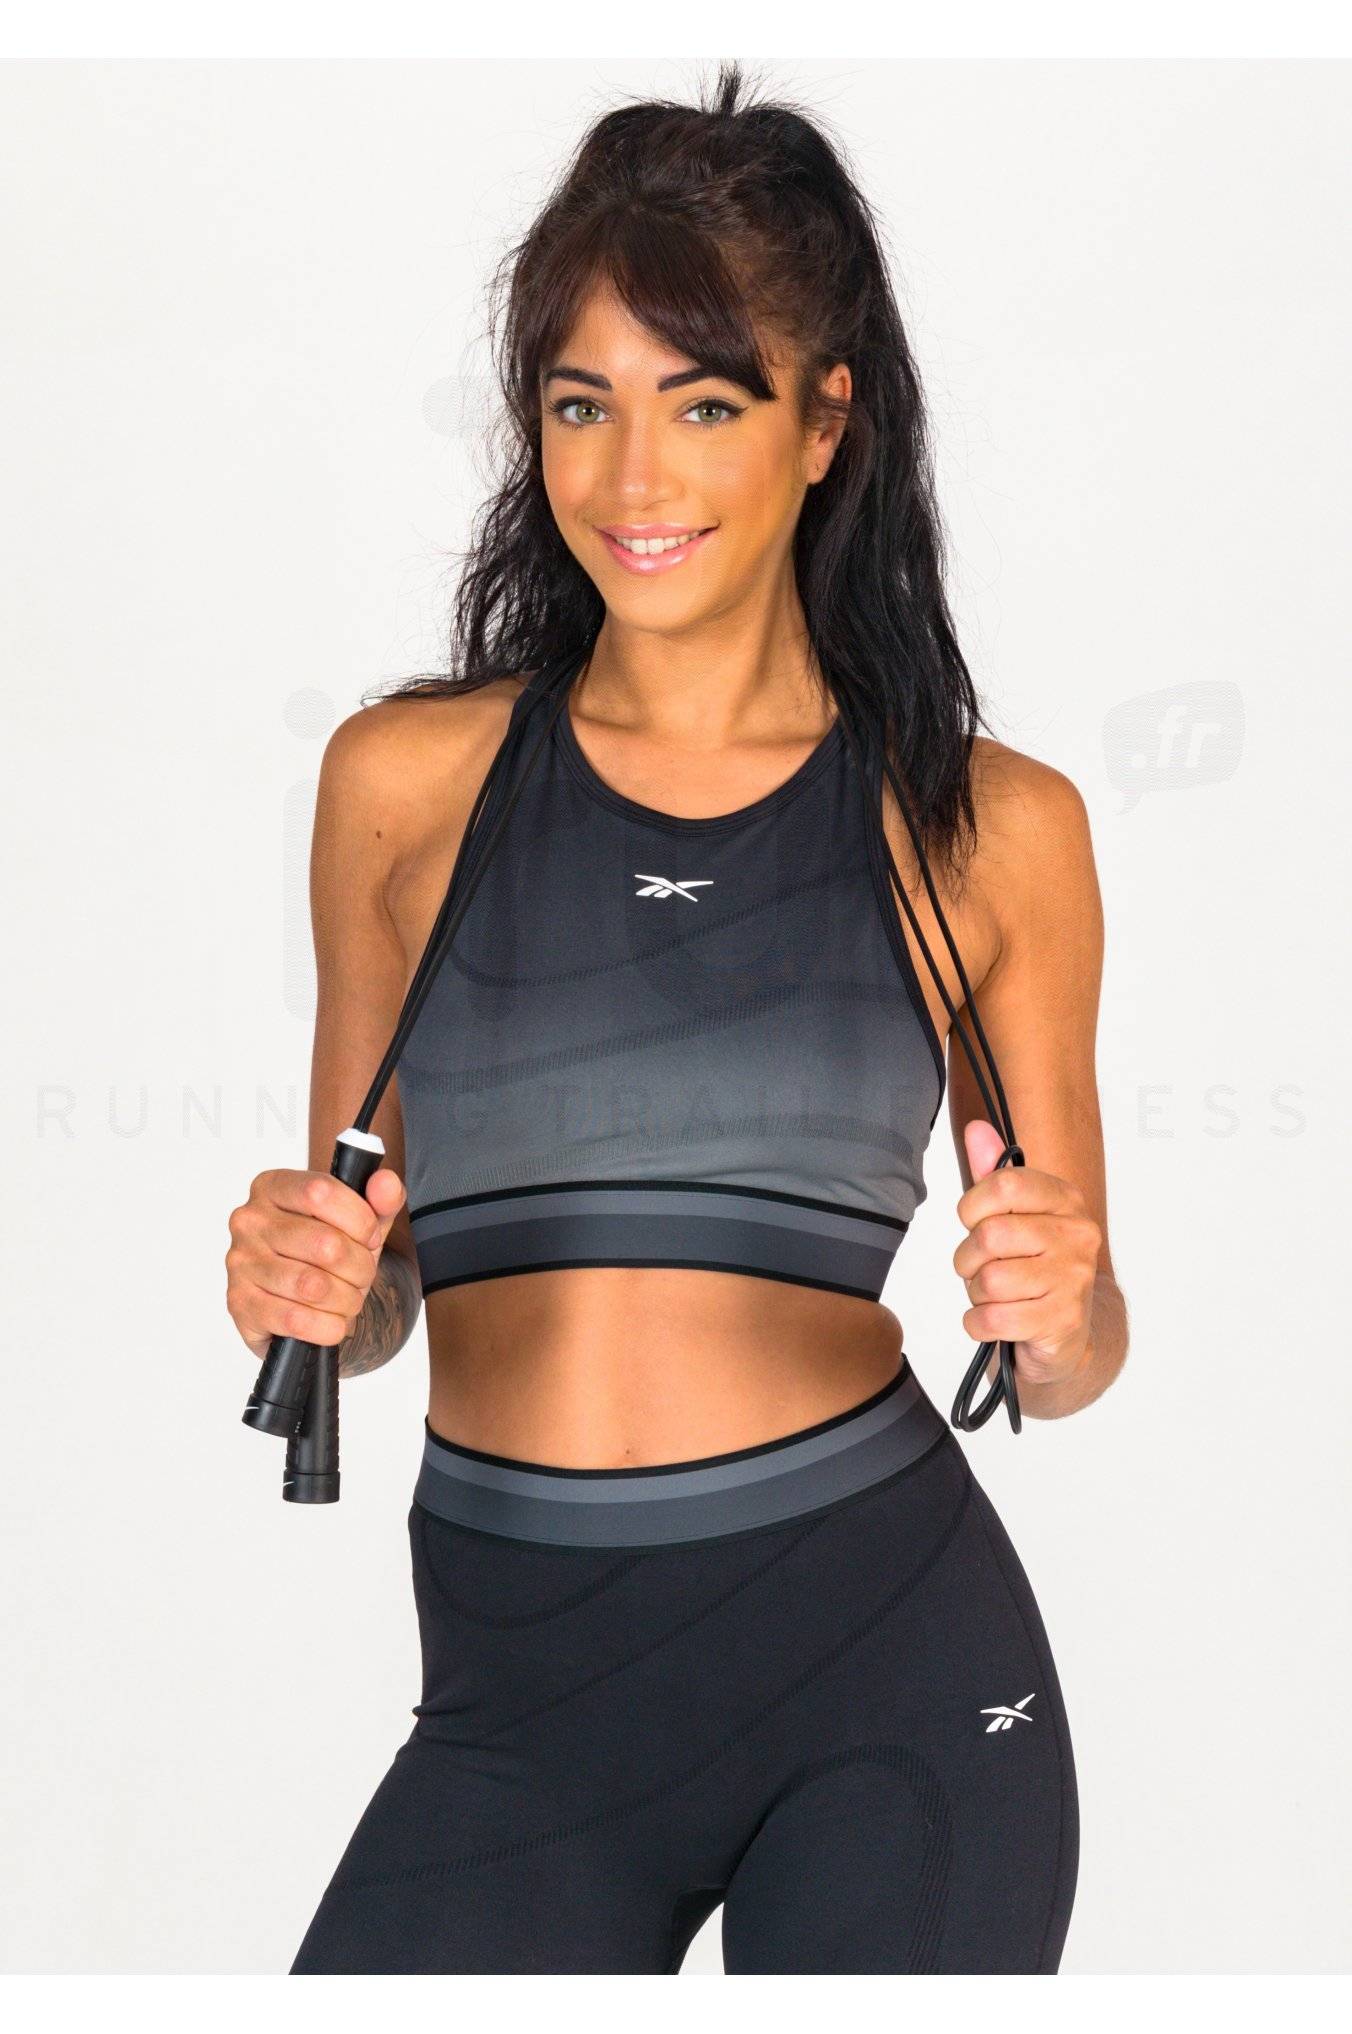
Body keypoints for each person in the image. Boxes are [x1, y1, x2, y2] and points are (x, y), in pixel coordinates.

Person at [225, 62, 1127, 1974]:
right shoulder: (405, 788)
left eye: (705, 402)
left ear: (824, 424)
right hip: (519, 1715)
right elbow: (374, 1291)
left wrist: (1060, 1311)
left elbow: (1072, 1352)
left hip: (894, 1680)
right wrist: (312, 1281)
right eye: (585, 403)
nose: (633, 479)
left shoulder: (988, 826)